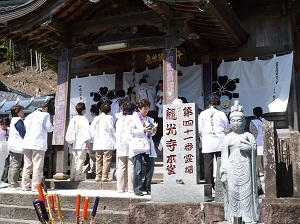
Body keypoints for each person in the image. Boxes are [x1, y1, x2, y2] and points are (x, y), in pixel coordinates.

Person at [220, 100, 260, 223]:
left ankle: (248, 216)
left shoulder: (248, 136)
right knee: (233, 193)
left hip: (246, 167)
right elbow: (224, 155)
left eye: (239, 120)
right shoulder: (227, 138)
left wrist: (249, 149)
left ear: (244, 121)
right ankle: (233, 215)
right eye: (234, 121)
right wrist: (223, 170)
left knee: (247, 193)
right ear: (230, 122)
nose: (236, 123)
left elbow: (255, 151)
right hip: (231, 168)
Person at [198, 94, 229, 190]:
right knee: (221, 163)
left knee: (208, 164)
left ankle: (209, 186)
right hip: (220, 140)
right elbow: (226, 127)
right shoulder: (221, 114)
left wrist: (202, 138)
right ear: (218, 103)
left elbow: (199, 129)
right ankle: (222, 185)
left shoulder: (203, 114)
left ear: (208, 102)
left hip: (207, 140)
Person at [128, 99, 157, 196]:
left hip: (148, 145)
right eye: (144, 108)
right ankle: (137, 189)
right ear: (139, 109)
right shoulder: (133, 118)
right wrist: (143, 130)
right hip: (137, 145)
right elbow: (131, 131)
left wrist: (153, 130)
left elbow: (152, 134)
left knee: (151, 167)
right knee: (138, 168)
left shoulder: (150, 119)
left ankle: (147, 187)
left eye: (147, 108)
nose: (146, 110)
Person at [22, 102, 54, 191]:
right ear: (45, 108)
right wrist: (53, 126)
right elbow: (49, 128)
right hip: (38, 143)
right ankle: (35, 186)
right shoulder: (45, 115)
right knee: (37, 165)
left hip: (27, 143)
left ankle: (25, 185)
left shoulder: (29, 116)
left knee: (27, 165)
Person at [90, 102, 115, 182]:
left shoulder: (97, 118)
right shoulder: (110, 118)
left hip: (98, 141)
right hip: (107, 141)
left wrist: (95, 137)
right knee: (106, 159)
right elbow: (112, 129)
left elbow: (91, 129)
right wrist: (115, 138)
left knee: (98, 159)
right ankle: (104, 176)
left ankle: (98, 176)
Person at [66, 102, 90, 181]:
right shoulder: (84, 119)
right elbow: (86, 132)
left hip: (73, 142)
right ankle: (78, 176)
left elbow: (70, 130)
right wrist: (87, 142)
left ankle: (72, 175)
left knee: (74, 160)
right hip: (81, 142)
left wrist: (70, 141)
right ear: (83, 110)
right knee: (80, 159)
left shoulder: (73, 119)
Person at [115, 101, 136, 193]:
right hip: (131, 143)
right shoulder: (133, 118)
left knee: (121, 166)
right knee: (131, 165)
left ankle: (120, 188)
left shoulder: (119, 120)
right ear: (133, 109)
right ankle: (131, 187)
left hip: (120, 144)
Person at [7, 106, 25, 190]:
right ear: (18, 112)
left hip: (12, 145)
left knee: (12, 164)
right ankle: (13, 184)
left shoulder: (12, 120)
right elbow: (23, 133)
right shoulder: (18, 121)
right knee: (16, 164)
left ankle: (11, 183)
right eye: (22, 110)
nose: (23, 112)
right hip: (17, 146)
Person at [249, 106, 266, 176]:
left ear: (254, 114)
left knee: (258, 160)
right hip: (265, 142)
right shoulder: (265, 121)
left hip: (257, 143)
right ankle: (265, 172)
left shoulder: (253, 122)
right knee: (264, 160)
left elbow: (253, 133)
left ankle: (261, 173)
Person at [88, 106, 99, 174]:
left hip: (93, 140)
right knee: (97, 155)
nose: (90, 113)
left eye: (91, 112)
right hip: (97, 140)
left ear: (93, 112)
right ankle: (96, 169)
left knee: (92, 155)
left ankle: (93, 168)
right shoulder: (98, 118)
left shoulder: (94, 119)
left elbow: (91, 130)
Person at [0, 117, 10, 187]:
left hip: (5, 148)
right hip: (1, 146)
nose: (5, 127)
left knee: (2, 166)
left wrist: (8, 136)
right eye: (4, 125)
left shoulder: (8, 130)